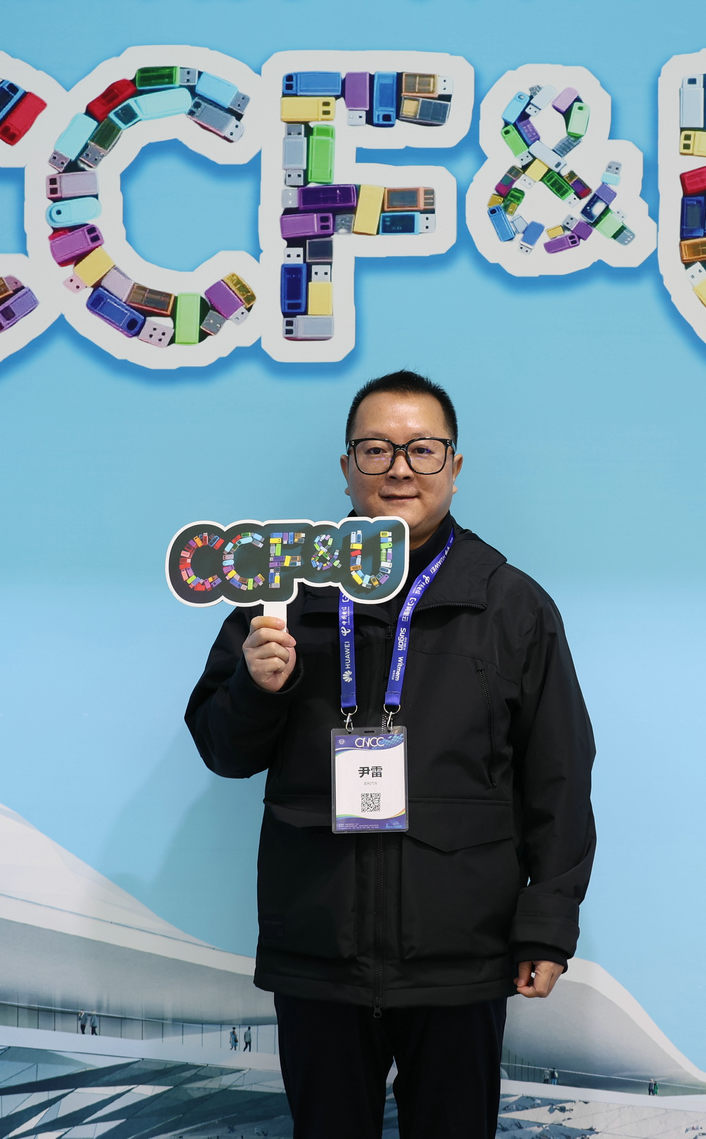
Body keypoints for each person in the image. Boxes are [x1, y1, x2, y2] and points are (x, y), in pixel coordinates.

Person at [185, 370, 596, 1139]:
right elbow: (222, 749)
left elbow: (559, 773)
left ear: (455, 466)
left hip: (460, 957)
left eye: (422, 450)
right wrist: (258, 687)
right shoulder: (283, 590)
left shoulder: (511, 604)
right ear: (346, 467)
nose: (399, 469)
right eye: (376, 450)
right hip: (318, 951)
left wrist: (547, 923)